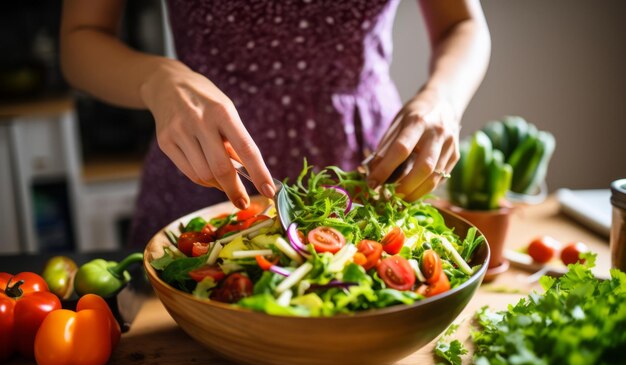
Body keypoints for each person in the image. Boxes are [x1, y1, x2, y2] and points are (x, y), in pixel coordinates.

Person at [60, 0, 490, 247]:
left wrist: (443, 100)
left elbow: (463, 23)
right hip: (206, 156)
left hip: (367, 157)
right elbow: (80, 39)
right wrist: (158, 79)